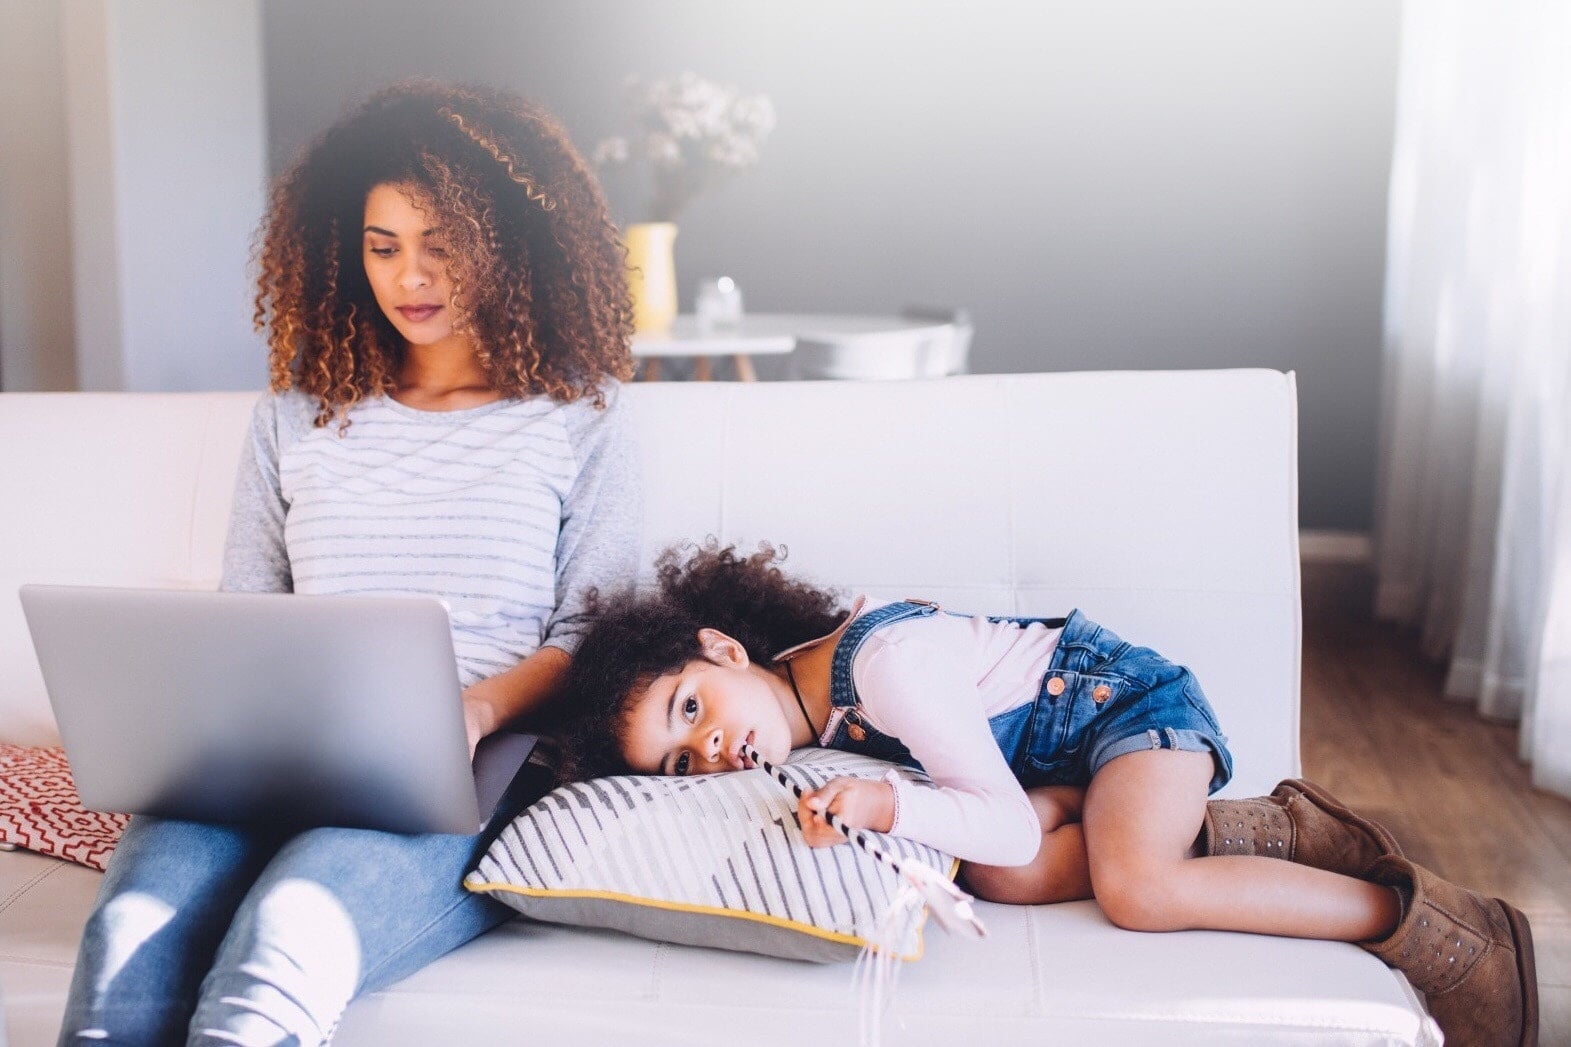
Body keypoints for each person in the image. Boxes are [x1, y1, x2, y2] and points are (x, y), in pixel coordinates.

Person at [59, 81, 639, 1046]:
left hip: (470, 764)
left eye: (442, 243)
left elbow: (592, 634)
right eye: (383, 246)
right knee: (123, 940)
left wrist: (477, 707)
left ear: (510, 242)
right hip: (271, 754)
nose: (411, 275)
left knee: (281, 941)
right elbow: (245, 610)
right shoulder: (294, 416)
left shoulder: (581, 416)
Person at [557, 543, 1537, 1047]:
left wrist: (884, 808)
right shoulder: (812, 708)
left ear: (723, 651)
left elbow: (1002, 823)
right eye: (679, 763)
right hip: (1051, 767)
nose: (710, 747)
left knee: (1134, 888)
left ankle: (1446, 932)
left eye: (690, 705)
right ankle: (1263, 835)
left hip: (1123, 712)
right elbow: (1006, 843)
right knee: (1003, 879)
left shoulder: (882, 671)